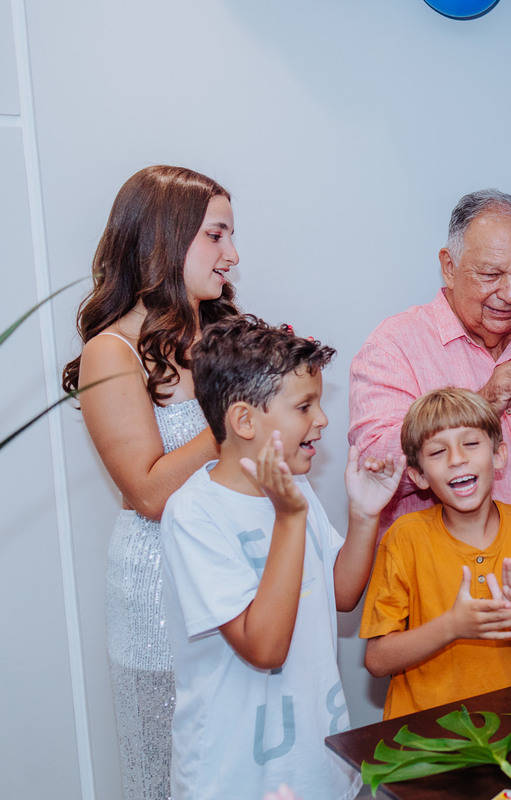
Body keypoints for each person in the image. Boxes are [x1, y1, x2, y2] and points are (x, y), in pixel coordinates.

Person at [160, 316, 400, 800]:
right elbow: (264, 649)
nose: (323, 419)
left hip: (318, 767)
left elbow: (342, 593)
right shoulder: (194, 514)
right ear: (245, 421)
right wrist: (288, 519)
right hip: (235, 779)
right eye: (304, 406)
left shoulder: (297, 491)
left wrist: (364, 516)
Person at [61, 165, 241, 800]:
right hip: (158, 593)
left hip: (231, 576)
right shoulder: (111, 351)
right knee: (168, 776)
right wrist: (237, 417)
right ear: (168, 238)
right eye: (216, 235)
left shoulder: (224, 334)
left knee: (236, 763)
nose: (232, 255)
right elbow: (148, 492)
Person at [349, 189, 511, 583]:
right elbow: (377, 469)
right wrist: (484, 403)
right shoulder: (394, 347)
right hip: (451, 612)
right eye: (491, 274)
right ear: (449, 266)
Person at [360, 388, 511, 718]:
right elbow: (377, 659)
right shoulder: (403, 538)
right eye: (437, 452)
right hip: (428, 741)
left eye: (471, 444)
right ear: (419, 476)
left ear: (498, 456)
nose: (457, 459)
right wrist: (452, 626)